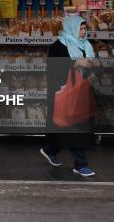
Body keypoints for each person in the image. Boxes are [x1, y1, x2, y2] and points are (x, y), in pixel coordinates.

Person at [39, 15, 98, 177]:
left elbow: (92, 62)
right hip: (65, 92)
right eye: (80, 28)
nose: (83, 31)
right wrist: (75, 63)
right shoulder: (59, 45)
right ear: (71, 28)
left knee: (63, 126)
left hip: (82, 92)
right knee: (74, 127)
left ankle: (50, 149)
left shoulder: (86, 45)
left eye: (85, 28)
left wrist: (94, 67)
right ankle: (81, 164)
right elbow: (54, 69)